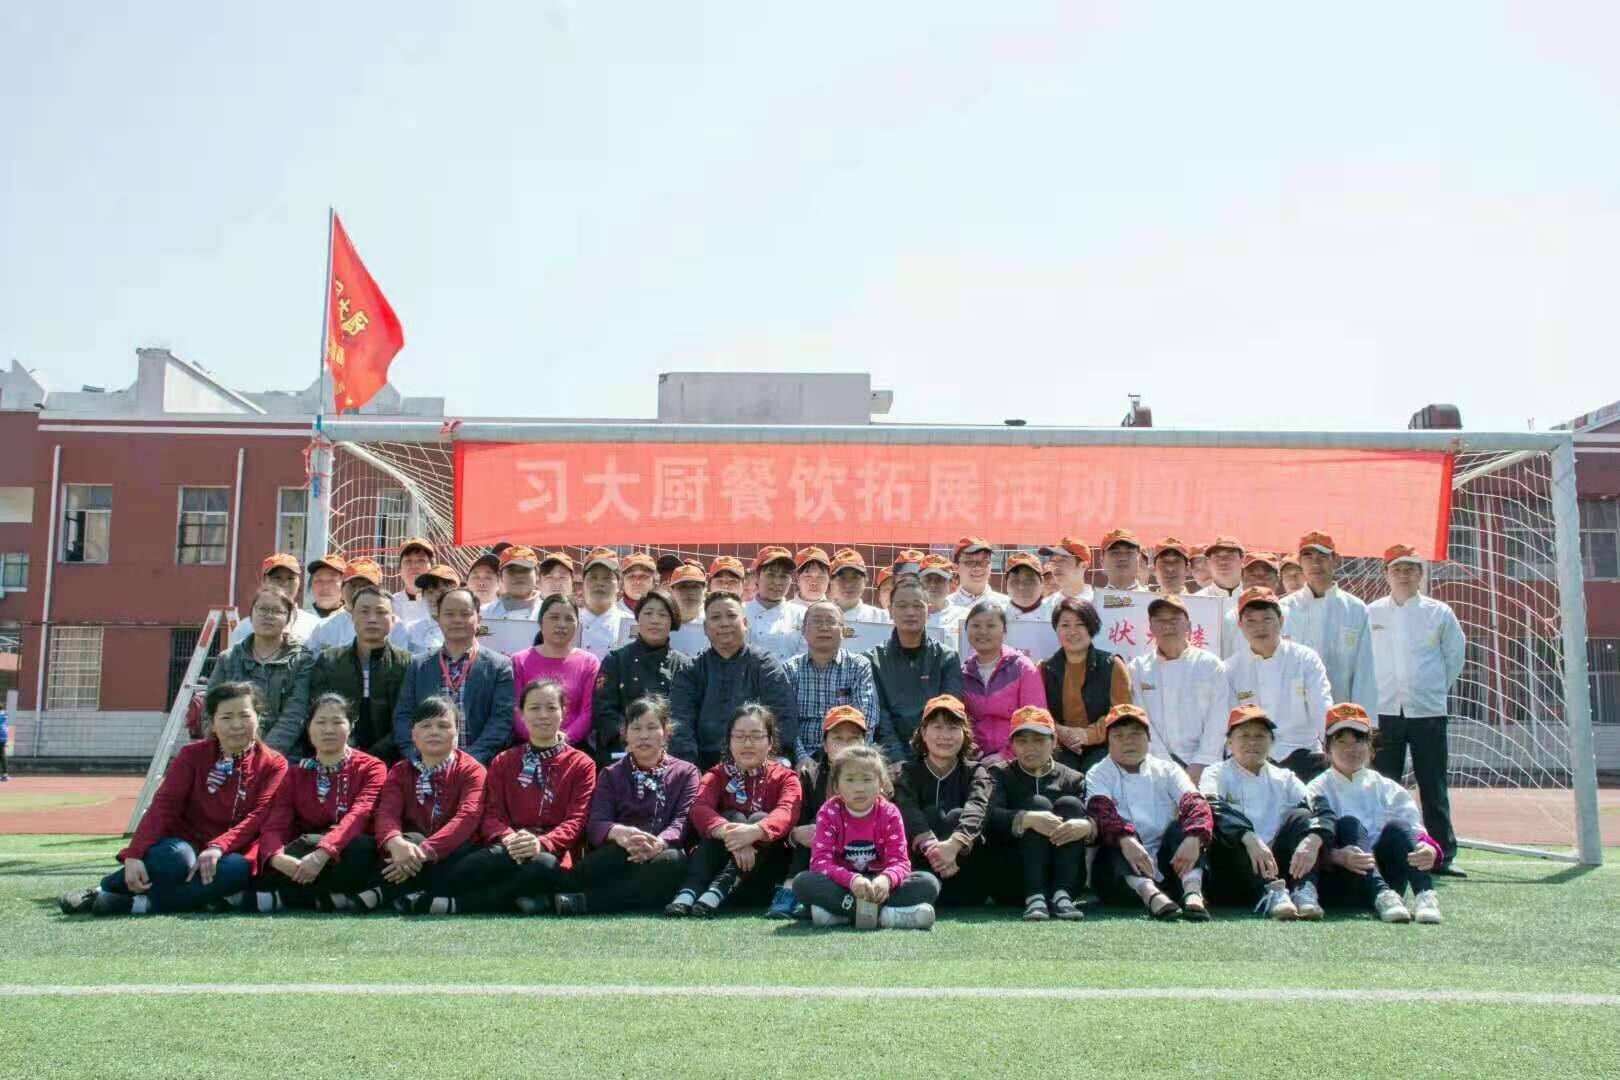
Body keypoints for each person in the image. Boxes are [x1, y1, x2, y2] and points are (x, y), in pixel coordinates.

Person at [58, 681, 289, 916]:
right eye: (226, 717)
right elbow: (164, 805)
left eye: (245, 716)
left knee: (238, 869)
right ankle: (106, 888)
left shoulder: (274, 763)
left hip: (230, 852)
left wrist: (218, 847)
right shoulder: (192, 755)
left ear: (258, 718)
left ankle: (135, 904)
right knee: (176, 858)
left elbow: (259, 815)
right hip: (184, 845)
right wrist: (134, 855)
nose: (237, 725)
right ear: (213, 723)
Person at [429, 680, 597, 914]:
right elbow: (490, 814)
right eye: (534, 708)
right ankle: (521, 901)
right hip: (507, 848)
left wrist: (541, 843)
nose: (543, 715)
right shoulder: (504, 761)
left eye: (551, 708)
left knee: (544, 865)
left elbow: (576, 820)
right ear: (521, 713)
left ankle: (462, 905)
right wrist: (509, 838)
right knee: (478, 860)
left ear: (563, 712)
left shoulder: (582, 764)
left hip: (552, 854)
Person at [1368, 543, 1468, 876]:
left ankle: (1442, 855)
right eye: (1396, 569)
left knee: (1432, 785)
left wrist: (1431, 689)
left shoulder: (1439, 612)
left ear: (1421, 573)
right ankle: (1384, 851)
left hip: (1428, 712)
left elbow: (1454, 658)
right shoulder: (1372, 612)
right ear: (1386, 574)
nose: (1403, 574)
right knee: (1384, 784)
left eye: (1410, 568)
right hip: (1384, 712)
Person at [558, 695, 700, 915]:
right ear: (624, 733)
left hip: (662, 854)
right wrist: (620, 834)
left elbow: (683, 822)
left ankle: (584, 902)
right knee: (610, 858)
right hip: (621, 852)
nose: (644, 736)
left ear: (666, 732)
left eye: (652, 728)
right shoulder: (610, 774)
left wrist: (659, 843)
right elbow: (596, 824)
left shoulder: (687, 773)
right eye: (636, 728)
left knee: (672, 862)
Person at [246, 692, 387, 912]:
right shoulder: (295, 774)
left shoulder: (372, 768)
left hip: (347, 850)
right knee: (280, 852)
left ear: (351, 725)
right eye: (320, 722)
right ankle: (327, 898)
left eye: (337, 722)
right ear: (308, 726)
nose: (328, 730)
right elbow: (275, 824)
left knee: (360, 848)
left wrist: (323, 852)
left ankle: (288, 896)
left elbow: (360, 814)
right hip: (306, 853)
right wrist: (276, 858)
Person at [1308, 702, 1444, 923]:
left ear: (1371, 747)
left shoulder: (1388, 788)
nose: (1351, 749)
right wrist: (1336, 856)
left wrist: (1429, 850)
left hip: (1391, 883)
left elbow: (1415, 830)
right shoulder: (1316, 789)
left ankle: (1424, 893)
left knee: (1399, 826)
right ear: (1327, 750)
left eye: (1358, 741)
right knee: (1349, 824)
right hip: (1343, 881)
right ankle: (1380, 893)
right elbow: (1307, 841)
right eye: (1341, 742)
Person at [665, 704, 803, 916]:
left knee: (758, 818)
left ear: (770, 742)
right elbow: (699, 807)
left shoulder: (786, 777)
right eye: (739, 736)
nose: (747, 744)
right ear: (729, 741)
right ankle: (690, 890)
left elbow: (786, 812)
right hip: (719, 865)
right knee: (729, 818)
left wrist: (754, 832)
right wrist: (729, 833)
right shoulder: (717, 774)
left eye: (756, 736)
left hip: (765, 873)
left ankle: (719, 887)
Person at [1199, 705, 1334, 921]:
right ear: (1229, 742)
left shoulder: (1285, 777)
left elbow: (1319, 806)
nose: (1252, 742)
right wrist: (1249, 837)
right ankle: (1271, 892)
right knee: (1221, 827)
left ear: (1271, 742)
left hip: (1277, 862)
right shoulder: (1215, 773)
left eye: (1260, 736)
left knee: (1303, 816)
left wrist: (1314, 839)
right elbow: (1210, 806)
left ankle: (1303, 890)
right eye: (1244, 735)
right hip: (1234, 869)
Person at [1087, 704, 1215, 920]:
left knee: (1185, 829)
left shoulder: (1168, 769)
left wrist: (1194, 838)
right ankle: (1150, 895)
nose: (1128, 741)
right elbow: (1101, 811)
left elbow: (1196, 803)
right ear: (1108, 743)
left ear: (1148, 739)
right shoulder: (1098, 773)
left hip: (1171, 867)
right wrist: (1127, 840)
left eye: (1135, 734)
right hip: (1121, 876)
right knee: (1117, 837)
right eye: (1119, 735)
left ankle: (1193, 892)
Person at [793, 744, 940, 929]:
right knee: (802, 882)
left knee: (929, 884)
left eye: (867, 779)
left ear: (881, 784)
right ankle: (886, 917)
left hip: (880, 887)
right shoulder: (829, 812)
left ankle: (842, 915)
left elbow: (900, 862)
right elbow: (820, 864)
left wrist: (886, 879)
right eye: (850, 780)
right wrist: (852, 880)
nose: (859, 788)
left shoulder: (890, 813)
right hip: (843, 884)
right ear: (836, 785)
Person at [361, 696, 486, 912]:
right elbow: (387, 813)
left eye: (443, 726)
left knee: (468, 855)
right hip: (408, 849)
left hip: (453, 851)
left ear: (457, 733)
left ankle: (385, 892)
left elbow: (467, 817)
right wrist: (395, 843)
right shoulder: (400, 771)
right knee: (393, 842)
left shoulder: (472, 770)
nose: (434, 732)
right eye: (426, 725)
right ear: (413, 734)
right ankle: (412, 893)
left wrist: (424, 852)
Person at [982, 707, 1094, 921]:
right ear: (1012, 744)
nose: (1030, 748)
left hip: (1063, 876)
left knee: (1070, 805)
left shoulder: (1073, 779)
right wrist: (1026, 819)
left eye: (1039, 740)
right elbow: (988, 818)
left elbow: (1097, 819)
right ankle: (1035, 896)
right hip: (1014, 880)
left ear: (1054, 741)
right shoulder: (999, 774)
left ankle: (1062, 896)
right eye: (1022, 741)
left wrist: (1087, 827)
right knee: (1037, 804)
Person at [668, 592, 798, 768]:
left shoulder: (765, 665)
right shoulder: (691, 670)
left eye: (731, 615)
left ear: (745, 624)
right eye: (716, 617)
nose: (724, 623)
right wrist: (690, 769)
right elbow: (680, 723)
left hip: (758, 764)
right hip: (703, 766)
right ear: (705, 628)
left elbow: (783, 719)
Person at [770, 704, 873, 919]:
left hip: (863, 858)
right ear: (825, 745)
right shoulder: (810, 777)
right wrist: (796, 834)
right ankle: (790, 892)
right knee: (813, 826)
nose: (846, 745)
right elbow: (793, 824)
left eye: (853, 738)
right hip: (821, 861)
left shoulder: (878, 778)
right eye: (838, 738)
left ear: (865, 743)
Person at [394, 588, 516, 767]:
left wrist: (467, 764)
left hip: (478, 768)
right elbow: (403, 717)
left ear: (479, 619)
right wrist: (419, 757)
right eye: (449, 614)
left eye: (465, 614)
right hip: (425, 766)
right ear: (437, 619)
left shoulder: (499, 666)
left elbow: (501, 721)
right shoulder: (418, 665)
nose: (457, 620)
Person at [892, 695, 992, 907]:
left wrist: (954, 845)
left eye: (953, 728)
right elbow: (907, 809)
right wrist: (933, 848)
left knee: (956, 816)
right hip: (921, 874)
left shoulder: (976, 772)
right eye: (937, 727)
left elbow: (978, 808)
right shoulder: (907, 772)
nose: (945, 736)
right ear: (923, 733)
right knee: (930, 814)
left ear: (965, 734)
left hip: (967, 883)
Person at [1225, 586, 1333, 782]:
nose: (1260, 627)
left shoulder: (1304, 659)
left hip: (1303, 753)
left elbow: (1321, 705)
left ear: (1281, 620)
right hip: (1252, 758)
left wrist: (1332, 748)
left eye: (1267, 619)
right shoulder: (1231, 668)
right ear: (1240, 625)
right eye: (1251, 621)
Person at [1127, 594, 1229, 784]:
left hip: (1204, 766)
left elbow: (1219, 718)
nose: (1167, 626)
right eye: (1160, 620)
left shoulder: (1210, 665)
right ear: (1151, 628)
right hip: (1155, 764)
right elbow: (1141, 720)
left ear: (1188, 626)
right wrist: (1164, 765)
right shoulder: (1138, 668)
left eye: (1174, 619)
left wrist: (1202, 762)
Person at [1279, 531, 1378, 717]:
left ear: (1336, 559)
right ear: (1300, 562)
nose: (1315, 563)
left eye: (1322, 556)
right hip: (1293, 717)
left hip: (1342, 715)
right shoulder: (1282, 609)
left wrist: (1365, 720)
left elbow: (1365, 671)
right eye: (1308, 556)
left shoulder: (1356, 609)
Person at [591, 588, 695, 765]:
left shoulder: (684, 665)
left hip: (671, 756)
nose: (655, 620)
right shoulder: (616, 660)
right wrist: (632, 739)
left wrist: (662, 746)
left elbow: (684, 716)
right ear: (637, 618)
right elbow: (604, 709)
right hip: (621, 753)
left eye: (662, 615)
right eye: (648, 613)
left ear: (672, 621)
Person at [308, 586, 410, 762]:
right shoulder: (330, 660)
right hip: (337, 757)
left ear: (393, 620)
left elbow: (408, 718)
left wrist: (373, 757)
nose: (372, 619)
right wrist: (350, 753)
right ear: (352, 617)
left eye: (381, 612)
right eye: (364, 611)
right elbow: (317, 712)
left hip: (394, 760)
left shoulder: (407, 663)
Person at [207, 587, 313, 755]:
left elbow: (295, 715)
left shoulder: (302, 661)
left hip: (285, 756)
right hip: (229, 752)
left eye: (277, 611)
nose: (268, 616)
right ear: (251, 614)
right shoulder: (228, 659)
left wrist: (262, 756)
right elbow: (210, 710)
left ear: (288, 618)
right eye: (262, 609)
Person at [871, 580, 966, 764]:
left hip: (936, 754)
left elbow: (948, 714)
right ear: (890, 611)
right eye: (902, 606)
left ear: (928, 611)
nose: (910, 612)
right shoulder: (873, 660)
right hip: (889, 758)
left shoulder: (946, 658)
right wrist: (898, 760)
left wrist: (929, 760)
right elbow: (881, 719)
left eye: (917, 606)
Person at [1039, 597, 1131, 773]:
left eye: (1080, 624)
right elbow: (1040, 711)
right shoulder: (1045, 668)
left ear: (1092, 627)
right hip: (1060, 745)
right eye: (1065, 625)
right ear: (1056, 629)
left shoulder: (1112, 664)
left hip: (1105, 745)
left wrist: (1087, 735)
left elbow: (1122, 712)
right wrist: (1061, 732)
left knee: (1094, 775)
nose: (1072, 632)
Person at [783, 600, 878, 763]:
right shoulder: (790, 668)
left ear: (842, 631)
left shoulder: (858, 666)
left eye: (831, 621)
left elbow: (867, 719)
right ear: (803, 630)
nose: (824, 627)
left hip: (846, 755)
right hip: (800, 756)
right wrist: (801, 757)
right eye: (817, 621)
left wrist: (845, 759)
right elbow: (785, 720)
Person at [510, 593, 599, 748]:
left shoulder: (589, 663)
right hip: (528, 745)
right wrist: (537, 738)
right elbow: (516, 709)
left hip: (572, 747)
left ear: (578, 625)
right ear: (540, 622)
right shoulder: (519, 661)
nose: (562, 624)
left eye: (569, 619)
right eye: (554, 617)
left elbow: (588, 712)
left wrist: (564, 739)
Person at [960, 600, 1046, 759]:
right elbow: (960, 720)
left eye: (991, 626)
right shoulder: (963, 673)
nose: (983, 631)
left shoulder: (1022, 667)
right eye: (975, 626)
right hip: (975, 759)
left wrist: (1005, 756)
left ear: (1004, 630)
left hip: (1019, 759)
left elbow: (1035, 719)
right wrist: (969, 748)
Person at [304, 558, 409, 653]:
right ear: (342, 589)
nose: (359, 591)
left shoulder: (396, 627)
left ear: (380, 591)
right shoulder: (324, 627)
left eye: (366, 586)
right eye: (353, 585)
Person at [228, 553, 324, 645]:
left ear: (299, 582)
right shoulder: (246, 627)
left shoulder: (313, 625)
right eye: (277, 578)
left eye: (290, 578)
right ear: (264, 581)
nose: (284, 584)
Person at [744, 545, 807, 661]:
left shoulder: (802, 615)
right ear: (757, 576)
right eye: (771, 574)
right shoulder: (741, 613)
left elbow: (804, 657)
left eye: (784, 576)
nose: (777, 581)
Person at [481, 546, 546, 656]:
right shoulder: (484, 613)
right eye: (512, 571)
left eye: (525, 570)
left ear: (537, 575)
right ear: (500, 576)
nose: (519, 575)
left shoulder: (548, 614)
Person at [576, 548, 637, 660]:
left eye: (607, 578)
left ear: (619, 585)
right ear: (583, 583)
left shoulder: (632, 623)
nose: (600, 583)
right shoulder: (571, 622)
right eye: (593, 577)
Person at [402, 563, 460, 657]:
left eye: (442, 591)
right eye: (430, 592)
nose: (435, 597)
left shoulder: (468, 628)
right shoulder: (412, 630)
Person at [1002, 550, 1054, 637]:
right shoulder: (995, 616)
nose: (1021, 586)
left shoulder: (1057, 615)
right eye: (1015, 580)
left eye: (1029, 580)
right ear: (1006, 583)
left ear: (1042, 581)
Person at [829, 549, 889, 623]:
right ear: (831, 581)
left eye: (855, 577)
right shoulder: (818, 617)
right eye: (842, 577)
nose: (848, 584)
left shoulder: (882, 619)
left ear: (865, 580)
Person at [948, 537, 1008, 608]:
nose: (978, 568)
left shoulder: (1006, 606)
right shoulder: (944, 606)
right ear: (956, 567)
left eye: (984, 561)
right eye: (970, 562)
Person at [390, 537, 437, 626]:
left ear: (433, 568)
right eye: (408, 561)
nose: (414, 566)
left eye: (421, 560)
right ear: (400, 570)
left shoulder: (443, 603)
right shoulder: (390, 605)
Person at [666, 562, 710, 654]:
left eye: (695, 587)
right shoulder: (661, 623)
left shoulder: (714, 623)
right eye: (683, 587)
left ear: (705, 590)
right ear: (671, 591)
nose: (690, 592)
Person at [1037, 538, 1094, 604]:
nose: (1056, 566)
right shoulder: (1046, 605)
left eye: (1062, 560)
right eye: (1053, 560)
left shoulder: (1099, 602)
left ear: (1083, 565)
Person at [920, 554, 965, 637]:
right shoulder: (906, 615)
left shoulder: (964, 616)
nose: (933, 584)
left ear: (950, 583)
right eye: (927, 579)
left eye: (940, 579)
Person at [306, 553, 347, 619]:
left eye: (332, 580)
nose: (325, 586)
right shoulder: (299, 620)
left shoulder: (354, 621)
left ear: (344, 586)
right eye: (319, 580)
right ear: (311, 585)